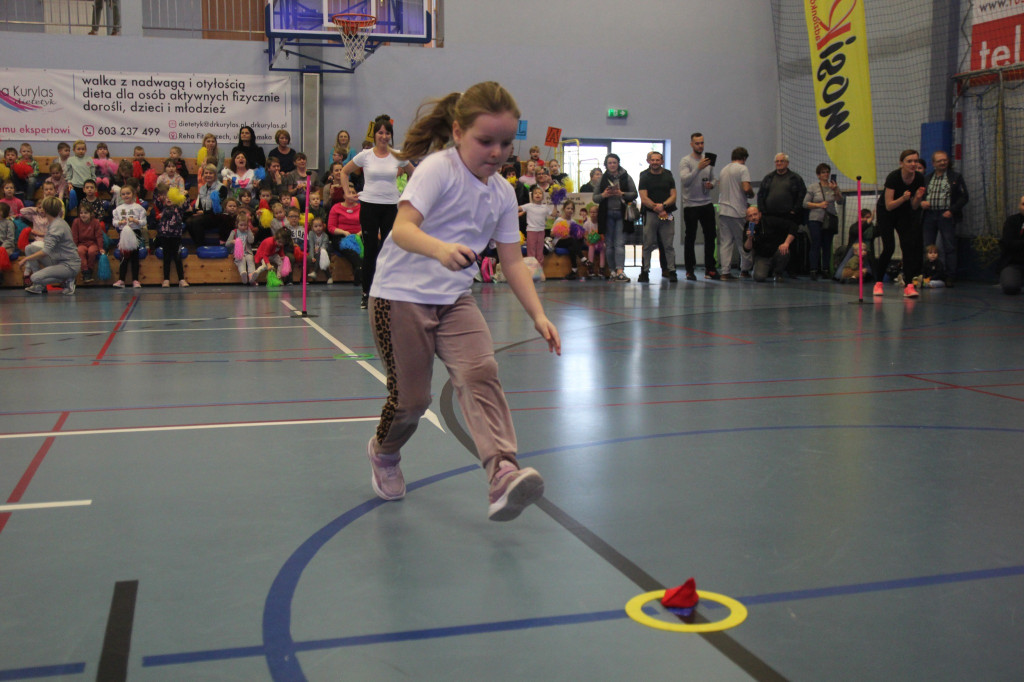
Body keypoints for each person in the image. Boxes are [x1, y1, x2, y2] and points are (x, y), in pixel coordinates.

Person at [366, 81, 560, 520]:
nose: (496, 152)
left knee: (480, 371)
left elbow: (512, 261)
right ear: (457, 132)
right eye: (485, 141)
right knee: (412, 402)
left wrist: (538, 314)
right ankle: (384, 451)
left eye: (506, 143)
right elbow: (402, 229)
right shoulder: (438, 168)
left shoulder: (503, 193)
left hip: (454, 299)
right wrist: (439, 250)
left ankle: (502, 473)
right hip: (399, 297)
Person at [340, 114, 415, 309]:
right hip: (369, 207)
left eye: (387, 133)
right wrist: (348, 193)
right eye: (380, 132)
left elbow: (414, 173)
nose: (383, 136)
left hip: (391, 207)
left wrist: (406, 195)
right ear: (375, 135)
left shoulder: (398, 155)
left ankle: (388, 293)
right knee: (371, 250)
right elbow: (344, 171)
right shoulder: (365, 155)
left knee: (389, 250)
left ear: (390, 135)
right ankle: (367, 293)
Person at [875, 149, 926, 298]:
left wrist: (917, 197)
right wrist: (903, 198)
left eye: (915, 161)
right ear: (901, 163)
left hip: (904, 212)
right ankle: (878, 283)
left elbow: (915, 206)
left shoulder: (919, 179)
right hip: (887, 212)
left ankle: (909, 285)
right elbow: (889, 205)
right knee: (889, 247)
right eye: (909, 161)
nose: (913, 164)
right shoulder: (893, 177)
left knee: (908, 246)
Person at [921, 150, 969, 286]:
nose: (942, 162)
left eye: (945, 160)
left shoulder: (956, 177)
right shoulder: (927, 179)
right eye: (939, 161)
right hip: (929, 215)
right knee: (927, 246)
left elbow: (964, 197)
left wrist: (952, 210)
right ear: (933, 163)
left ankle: (950, 276)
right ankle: (926, 274)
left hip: (946, 215)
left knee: (949, 246)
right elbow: (919, 196)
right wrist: (921, 202)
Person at [19, 197, 81, 295]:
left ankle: (67, 280)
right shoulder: (56, 222)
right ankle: (40, 286)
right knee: (29, 248)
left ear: (44, 210)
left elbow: (45, 252)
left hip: (69, 265)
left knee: (34, 278)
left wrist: (26, 259)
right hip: (58, 259)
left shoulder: (56, 226)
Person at [679, 132, 718, 280]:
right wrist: (698, 169)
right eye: (697, 143)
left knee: (710, 236)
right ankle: (690, 269)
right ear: (691, 144)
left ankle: (710, 268)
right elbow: (685, 181)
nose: (700, 146)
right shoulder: (686, 161)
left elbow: (714, 179)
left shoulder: (708, 160)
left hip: (706, 203)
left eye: (702, 143)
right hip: (691, 205)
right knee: (691, 237)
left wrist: (711, 184)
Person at [593, 152, 637, 282]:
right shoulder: (601, 179)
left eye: (614, 162)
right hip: (606, 215)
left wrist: (621, 193)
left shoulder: (626, 177)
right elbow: (595, 198)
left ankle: (620, 271)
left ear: (618, 164)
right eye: (609, 163)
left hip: (621, 214)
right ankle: (612, 271)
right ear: (606, 165)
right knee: (609, 244)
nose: (612, 165)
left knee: (620, 244)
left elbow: (634, 194)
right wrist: (604, 195)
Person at [637, 151, 677, 282]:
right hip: (650, 214)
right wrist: (656, 208)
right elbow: (643, 197)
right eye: (652, 160)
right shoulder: (644, 177)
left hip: (668, 214)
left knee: (668, 244)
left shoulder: (668, 176)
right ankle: (645, 271)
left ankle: (672, 271)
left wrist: (664, 207)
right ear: (649, 161)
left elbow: (673, 195)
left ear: (662, 161)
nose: (655, 162)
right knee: (648, 243)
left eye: (657, 160)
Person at [716, 147, 755, 280]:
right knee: (742, 241)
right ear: (744, 158)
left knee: (725, 242)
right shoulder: (742, 169)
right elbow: (746, 187)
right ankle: (745, 270)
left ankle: (725, 272)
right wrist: (751, 193)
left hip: (723, 210)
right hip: (737, 211)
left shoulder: (723, 170)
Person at [803, 163, 844, 280]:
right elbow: (805, 203)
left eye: (827, 172)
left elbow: (840, 201)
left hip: (829, 219)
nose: (826, 174)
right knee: (816, 244)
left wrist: (835, 190)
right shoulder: (813, 187)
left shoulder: (833, 186)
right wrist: (818, 205)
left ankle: (825, 269)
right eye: (823, 172)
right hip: (815, 219)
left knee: (827, 245)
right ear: (818, 175)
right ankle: (813, 269)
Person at [744, 205, 797, 282]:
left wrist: (786, 243)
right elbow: (746, 249)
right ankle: (764, 269)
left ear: (760, 214)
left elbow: (793, 226)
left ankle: (778, 273)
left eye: (755, 214)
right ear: (747, 218)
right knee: (759, 277)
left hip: (776, 252)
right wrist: (749, 238)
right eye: (750, 216)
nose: (753, 217)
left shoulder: (770, 220)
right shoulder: (747, 228)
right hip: (762, 256)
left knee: (784, 252)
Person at [111, 184, 146, 288]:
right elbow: (114, 222)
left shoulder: (139, 208)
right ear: (121, 196)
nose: (126, 196)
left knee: (135, 257)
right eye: (123, 194)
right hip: (124, 233)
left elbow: (143, 222)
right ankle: (121, 280)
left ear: (133, 194)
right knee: (124, 257)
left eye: (128, 193)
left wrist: (136, 221)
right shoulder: (118, 208)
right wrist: (120, 223)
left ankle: (135, 280)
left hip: (135, 232)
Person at [154, 183, 189, 288]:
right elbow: (156, 199)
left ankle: (181, 279)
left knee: (178, 258)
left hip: (176, 237)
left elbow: (186, 204)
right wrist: (157, 189)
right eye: (167, 197)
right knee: (166, 258)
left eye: (171, 198)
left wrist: (186, 195)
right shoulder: (162, 208)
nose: (168, 199)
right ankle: (166, 279)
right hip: (164, 237)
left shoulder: (179, 209)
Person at [71, 202, 104, 282]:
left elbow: (99, 236)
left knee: (92, 251)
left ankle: (90, 270)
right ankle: (85, 272)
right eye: (81, 213)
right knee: (80, 251)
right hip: (81, 243)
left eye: (86, 213)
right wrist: (73, 247)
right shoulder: (76, 222)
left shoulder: (95, 222)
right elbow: (74, 236)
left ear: (91, 213)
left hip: (93, 243)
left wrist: (100, 248)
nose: (83, 215)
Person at [999, 194, 1024, 295]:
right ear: (1019, 206)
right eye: (1023, 204)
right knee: (1010, 287)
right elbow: (1008, 243)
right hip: (1014, 264)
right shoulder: (1011, 221)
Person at [225, 210, 257, 285]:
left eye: (245, 225)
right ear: (237, 224)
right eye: (241, 225)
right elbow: (227, 244)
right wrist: (232, 241)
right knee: (241, 260)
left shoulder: (248, 231)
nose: (243, 227)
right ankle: (243, 274)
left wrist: (249, 230)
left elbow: (251, 241)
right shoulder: (234, 232)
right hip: (238, 253)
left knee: (250, 260)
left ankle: (252, 276)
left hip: (248, 252)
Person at [519, 185, 549, 264]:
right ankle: (531, 273)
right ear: (532, 196)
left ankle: (539, 273)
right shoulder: (528, 206)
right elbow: (518, 208)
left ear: (543, 197)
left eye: (540, 193)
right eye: (535, 193)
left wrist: (556, 204)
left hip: (541, 232)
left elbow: (554, 214)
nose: (538, 194)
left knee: (540, 252)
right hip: (531, 232)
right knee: (531, 252)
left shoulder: (545, 207)